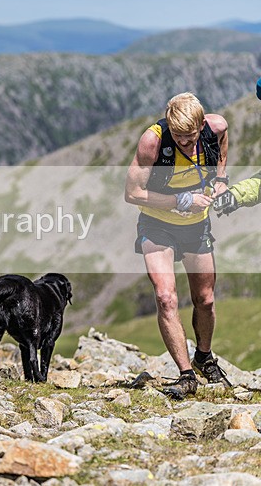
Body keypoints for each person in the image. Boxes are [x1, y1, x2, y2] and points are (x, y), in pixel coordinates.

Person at [125, 92, 231, 399]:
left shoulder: (216, 127)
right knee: (166, 297)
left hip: (197, 225)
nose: (184, 143)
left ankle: (204, 357)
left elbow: (222, 143)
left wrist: (222, 178)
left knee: (206, 299)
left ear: (201, 126)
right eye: (178, 137)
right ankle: (186, 375)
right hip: (157, 224)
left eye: (190, 137)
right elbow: (132, 192)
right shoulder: (152, 142)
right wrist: (179, 200)